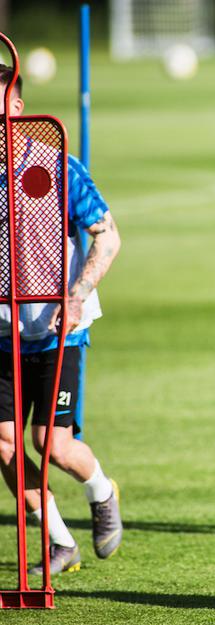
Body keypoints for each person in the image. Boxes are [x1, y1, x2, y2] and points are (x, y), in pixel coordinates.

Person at [0, 65, 124, 575]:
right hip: (2, 332)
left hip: (57, 328)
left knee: (51, 443)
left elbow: (107, 236)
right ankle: (59, 540)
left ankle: (100, 489)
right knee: (4, 442)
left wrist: (75, 298)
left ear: (17, 109)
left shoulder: (57, 167)